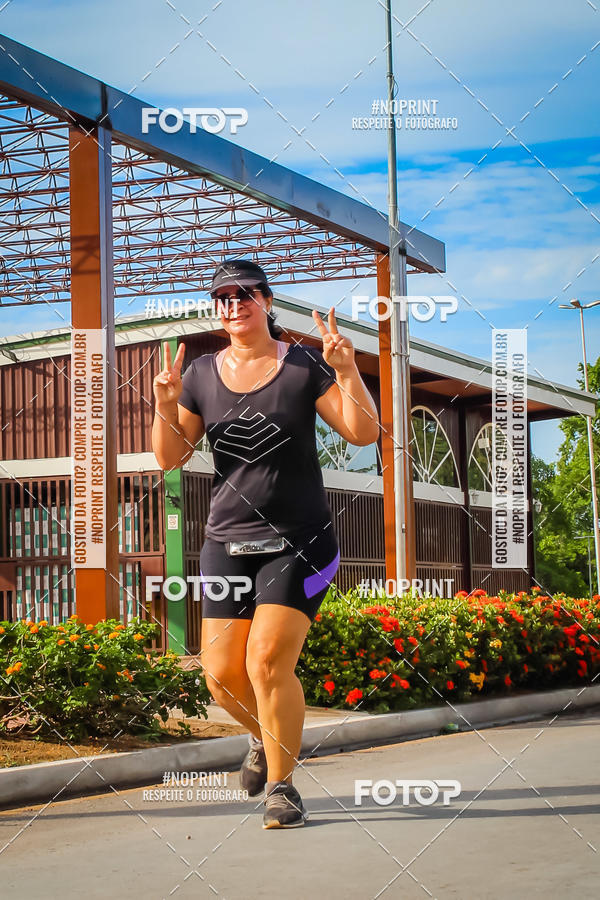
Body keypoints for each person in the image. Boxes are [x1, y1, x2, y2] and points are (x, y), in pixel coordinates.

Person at [152, 258, 379, 828]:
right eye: (222, 296)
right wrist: (163, 403)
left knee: (267, 662)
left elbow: (362, 433)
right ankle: (264, 738)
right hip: (227, 540)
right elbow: (169, 458)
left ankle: (282, 787)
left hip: (301, 541)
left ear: (267, 301)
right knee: (221, 675)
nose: (233, 304)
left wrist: (348, 373)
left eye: (244, 293)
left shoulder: (303, 366)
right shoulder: (200, 373)